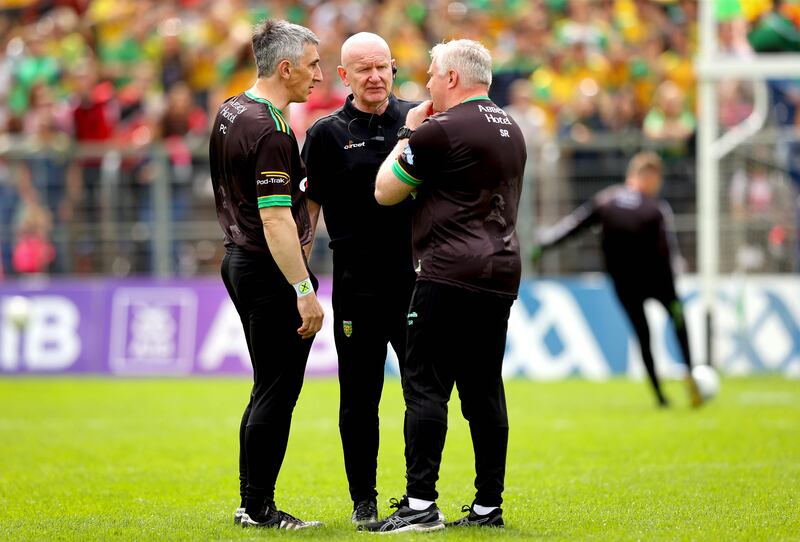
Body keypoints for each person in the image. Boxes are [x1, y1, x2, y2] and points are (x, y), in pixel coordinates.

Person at [363, 39, 527, 532]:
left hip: (447, 271)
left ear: (452, 78)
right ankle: (487, 506)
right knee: (484, 391)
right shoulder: (512, 127)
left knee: (425, 386)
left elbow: (384, 191)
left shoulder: (441, 129)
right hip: (500, 271)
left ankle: (419, 505)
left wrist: (407, 134)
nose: (427, 84)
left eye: (433, 74)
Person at [208, 19, 325, 530]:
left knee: (264, 387)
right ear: (286, 67)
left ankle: (248, 502)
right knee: (278, 390)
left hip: (237, 259)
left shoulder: (230, 108)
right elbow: (276, 219)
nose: (318, 76)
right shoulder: (273, 130)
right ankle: (259, 508)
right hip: (266, 267)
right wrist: (303, 290)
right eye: (314, 64)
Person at [300, 32, 417, 526]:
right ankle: (363, 501)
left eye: (382, 67)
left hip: (414, 280)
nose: (374, 77)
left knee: (423, 392)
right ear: (343, 76)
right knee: (359, 396)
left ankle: (418, 498)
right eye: (362, 69)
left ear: (393, 68)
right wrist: (299, 281)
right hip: (356, 283)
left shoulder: (418, 121)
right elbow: (307, 213)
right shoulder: (326, 133)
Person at [532, 151, 702, 408]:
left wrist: (544, 245)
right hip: (658, 280)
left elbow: (574, 226)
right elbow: (667, 251)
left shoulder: (606, 200)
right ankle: (691, 375)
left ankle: (659, 396)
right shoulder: (655, 208)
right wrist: (673, 286)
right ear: (650, 177)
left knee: (643, 335)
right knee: (678, 320)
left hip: (625, 283)